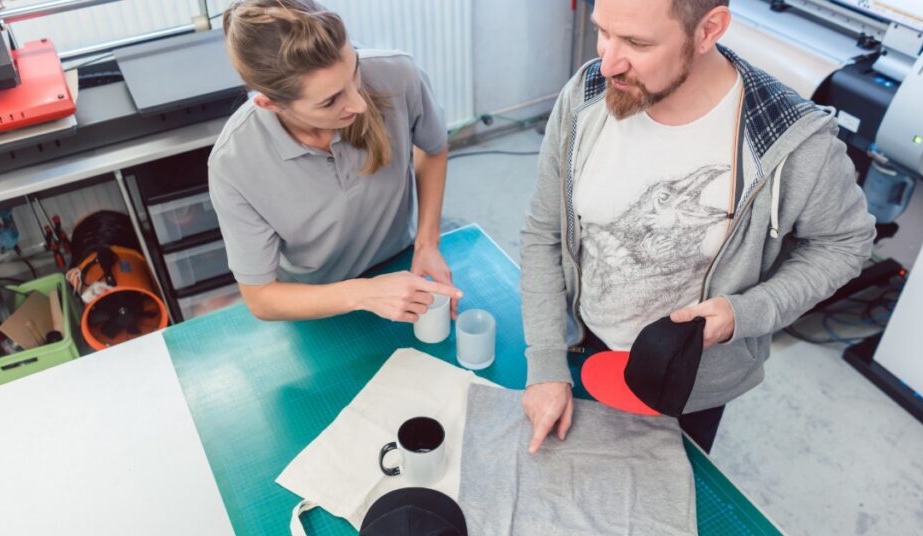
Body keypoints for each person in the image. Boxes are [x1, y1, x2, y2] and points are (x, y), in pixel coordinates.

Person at [519, 0, 876, 453]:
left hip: (691, 378)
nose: (607, 63)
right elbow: (544, 233)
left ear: (709, 30)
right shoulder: (585, 96)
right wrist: (547, 361)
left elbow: (845, 244)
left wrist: (746, 312)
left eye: (637, 43)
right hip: (580, 342)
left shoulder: (796, 144)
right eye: (602, 32)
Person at [209, 0, 461, 323]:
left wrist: (427, 243)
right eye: (330, 101)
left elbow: (433, 147)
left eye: (355, 71)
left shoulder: (397, 74)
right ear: (270, 104)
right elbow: (261, 298)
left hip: (400, 260)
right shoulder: (233, 165)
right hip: (315, 300)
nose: (359, 104)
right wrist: (365, 294)